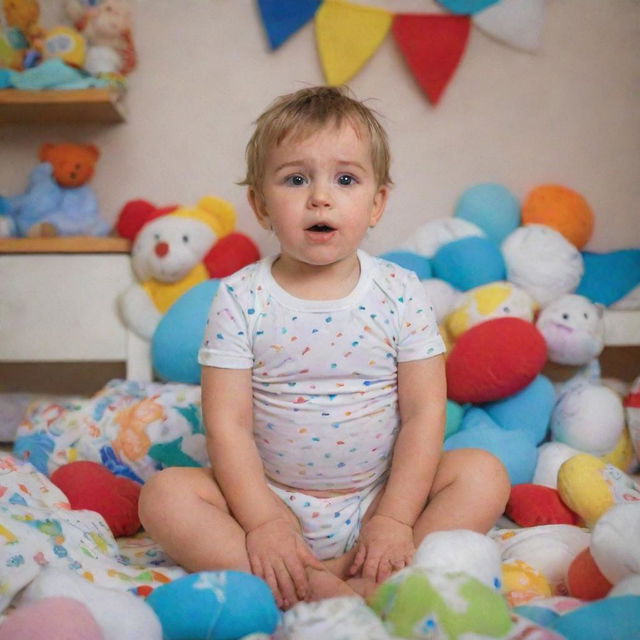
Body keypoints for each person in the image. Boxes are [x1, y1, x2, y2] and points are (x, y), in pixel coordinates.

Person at [139, 85, 510, 609]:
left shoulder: (400, 291)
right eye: (295, 178)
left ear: (377, 202)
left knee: (483, 474)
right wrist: (264, 521)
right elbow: (228, 424)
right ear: (260, 204)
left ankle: (367, 571)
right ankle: (314, 582)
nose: (320, 196)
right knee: (164, 496)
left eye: (345, 179)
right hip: (267, 502)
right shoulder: (240, 296)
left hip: (382, 496)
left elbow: (425, 413)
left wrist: (396, 518)